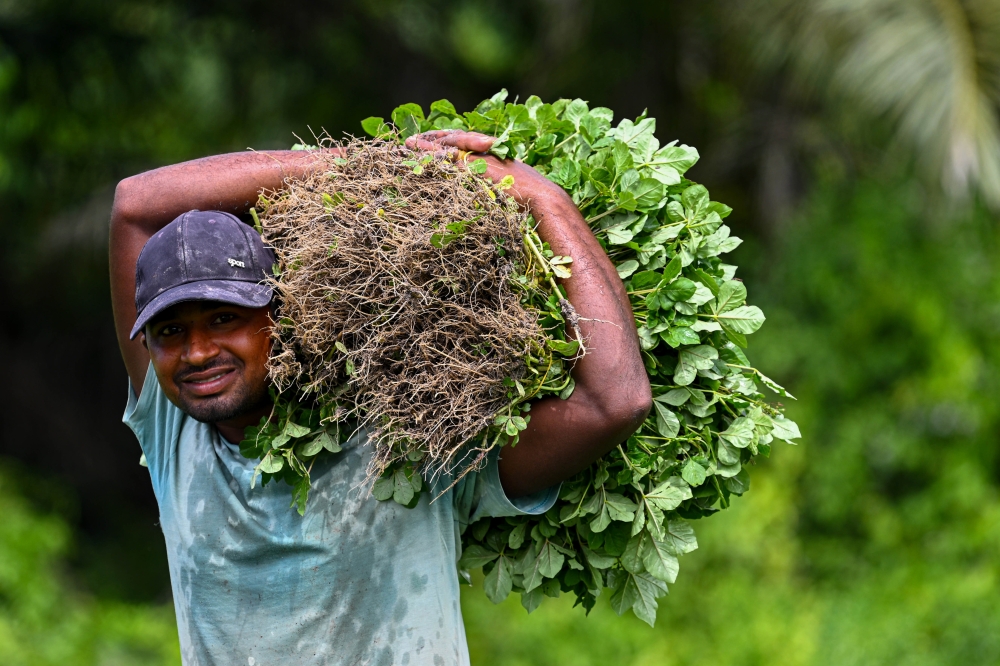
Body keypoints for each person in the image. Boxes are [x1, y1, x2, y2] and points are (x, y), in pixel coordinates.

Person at [109, 129, 651, 666]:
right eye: (169, 332)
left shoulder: (406, 439)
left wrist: (538, 196)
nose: (197, 352)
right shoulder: (171, 434)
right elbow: (134, 205)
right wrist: (381, 162)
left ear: (285, 313)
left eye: (225, 319)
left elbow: (614, 403)